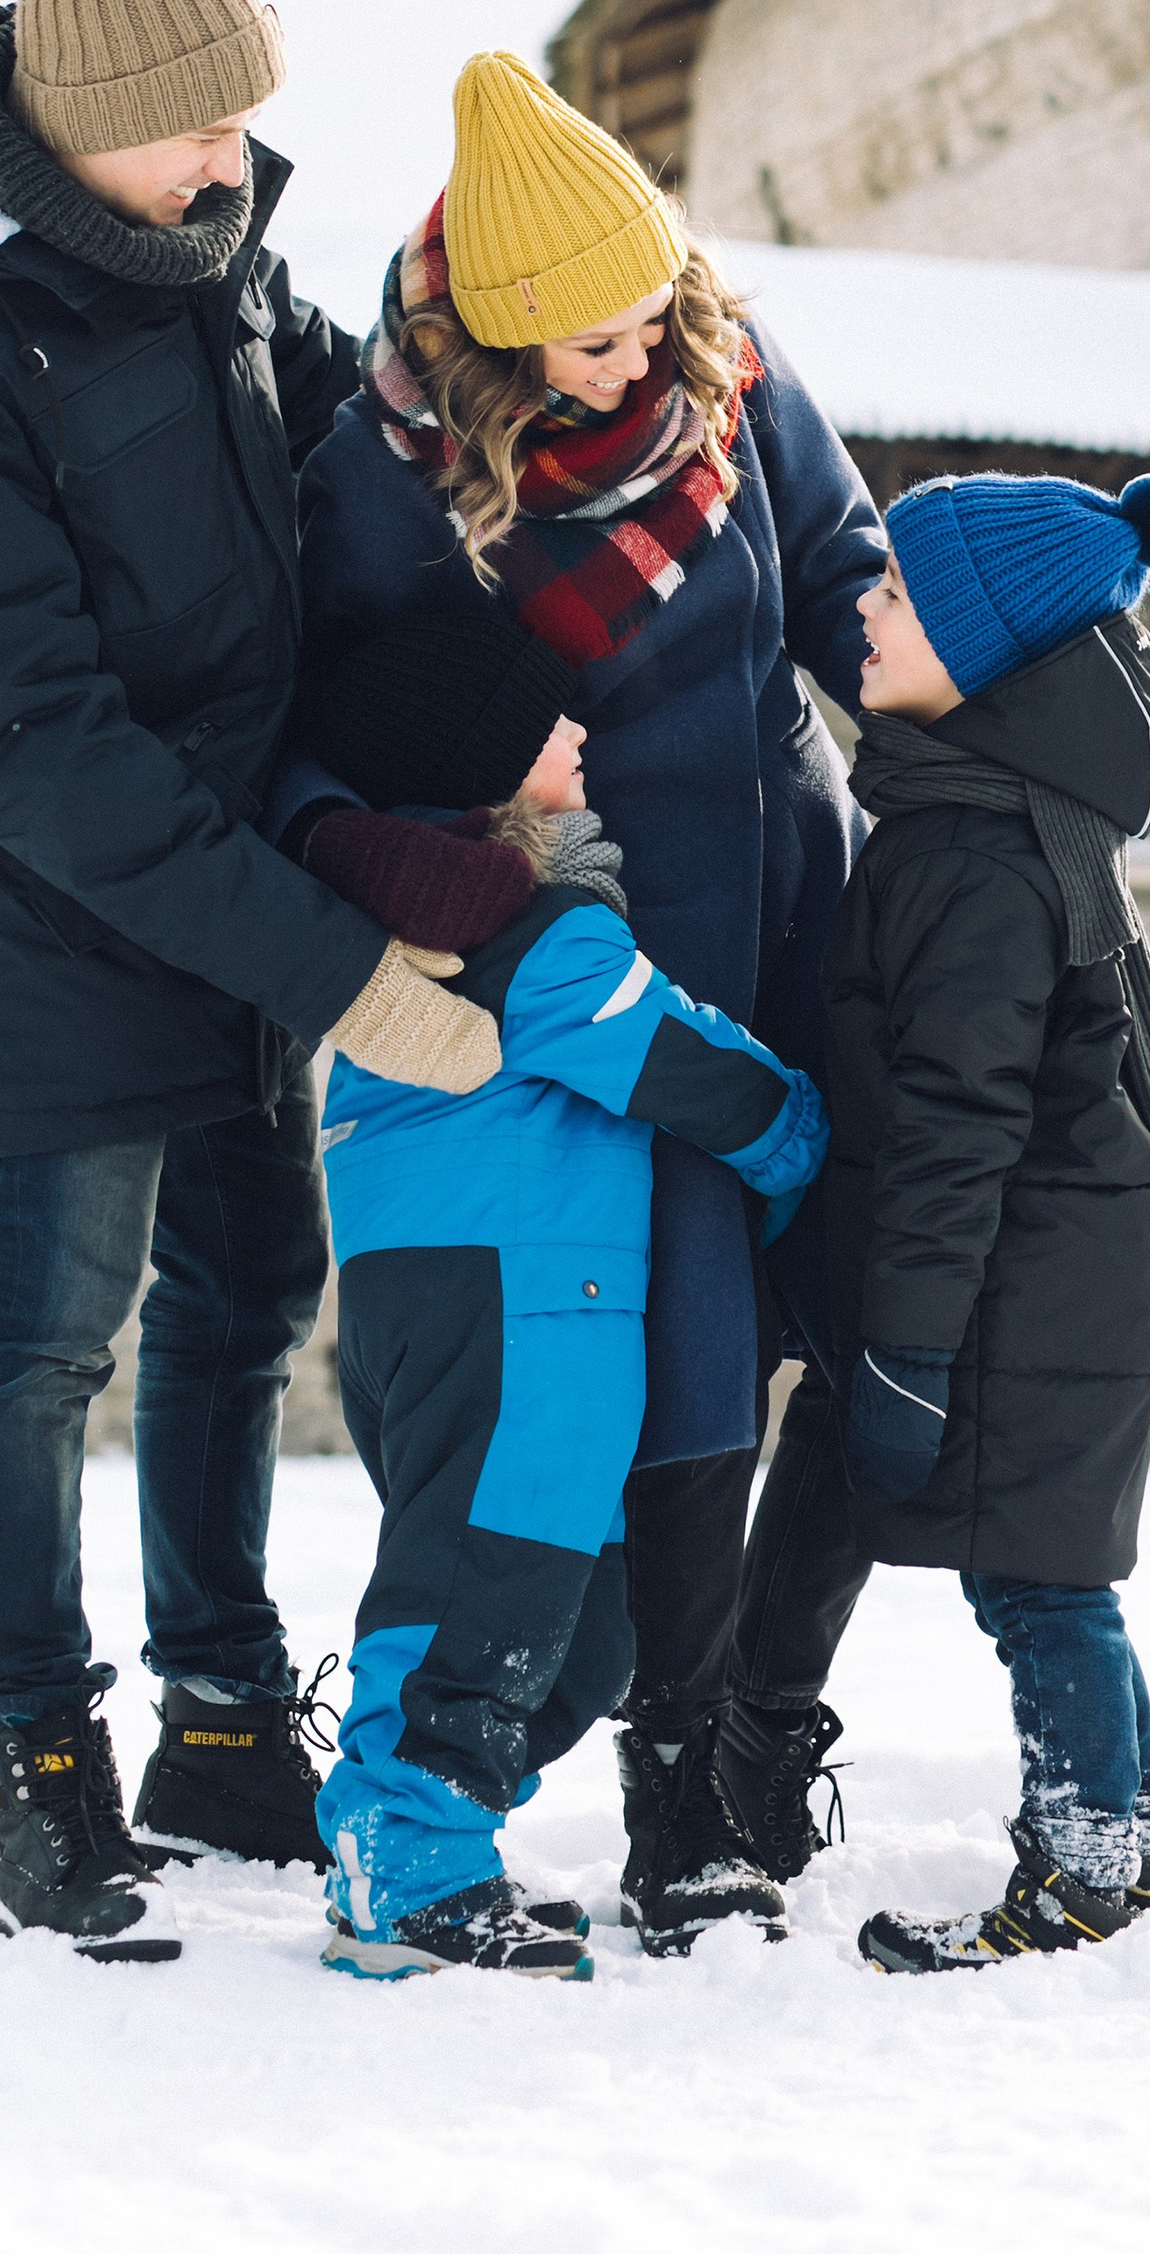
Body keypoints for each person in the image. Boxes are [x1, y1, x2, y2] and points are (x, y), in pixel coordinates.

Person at [0, 0, 503, 1969]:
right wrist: (336, 968)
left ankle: (220, 1710)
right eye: (199, 119)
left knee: (244, 1286)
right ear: (74, 118)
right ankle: (39, 1756)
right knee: (44, 1325)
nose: (238, 154)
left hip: (232, 868)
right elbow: (33, 748)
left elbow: (337, 490)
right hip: (54, 893)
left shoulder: (205, 255)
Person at [294, 49, 884, 1947]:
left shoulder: (727, 370)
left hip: (774, 920)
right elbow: (342, 741)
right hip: (579, 952)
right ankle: (660, 1795)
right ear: (492, 342)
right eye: (593, 350)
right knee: (643, 1385)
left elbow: (852, 582)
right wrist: (480, 889)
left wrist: (971, 740)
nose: (642, 368)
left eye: (658, 323)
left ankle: (729, 1752)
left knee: (780, 1360)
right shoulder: (382, 486)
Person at [287, 607, 827, 1979]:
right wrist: (816, 1143)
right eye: (550, 721)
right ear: (484, 762)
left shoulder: (431, 917)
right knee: (488, 1579)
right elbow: (699, 1069)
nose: (582, 735)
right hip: (513, 1298)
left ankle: (431, 1828)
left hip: (483, 1292)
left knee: (578, 1627)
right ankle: (402, 1862)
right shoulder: (531, 939)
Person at [739, 464, 1150, 1973]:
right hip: (1071, 1245)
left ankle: (1082, 1866)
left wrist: (906, 1351)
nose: (863, 610)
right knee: (1056, 1564)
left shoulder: (973, 854)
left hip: (1030, 1260)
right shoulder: (1009, 806)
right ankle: (1129, 1834)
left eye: (895, 593)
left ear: (985, 646)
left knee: (1037, 1578)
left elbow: (957, 1127)